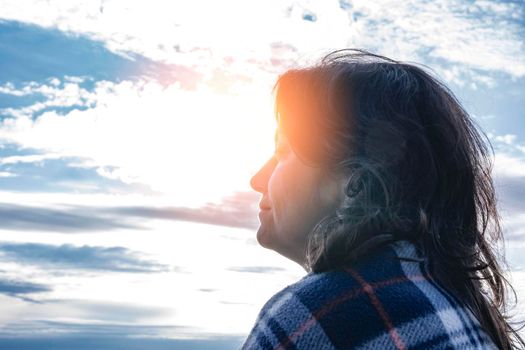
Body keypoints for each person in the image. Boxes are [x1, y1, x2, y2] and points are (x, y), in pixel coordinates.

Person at [243, 49, 524, 349]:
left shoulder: (312, 318)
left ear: (355, 181)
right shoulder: (460, 309)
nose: (257, 179)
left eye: (283, 153)